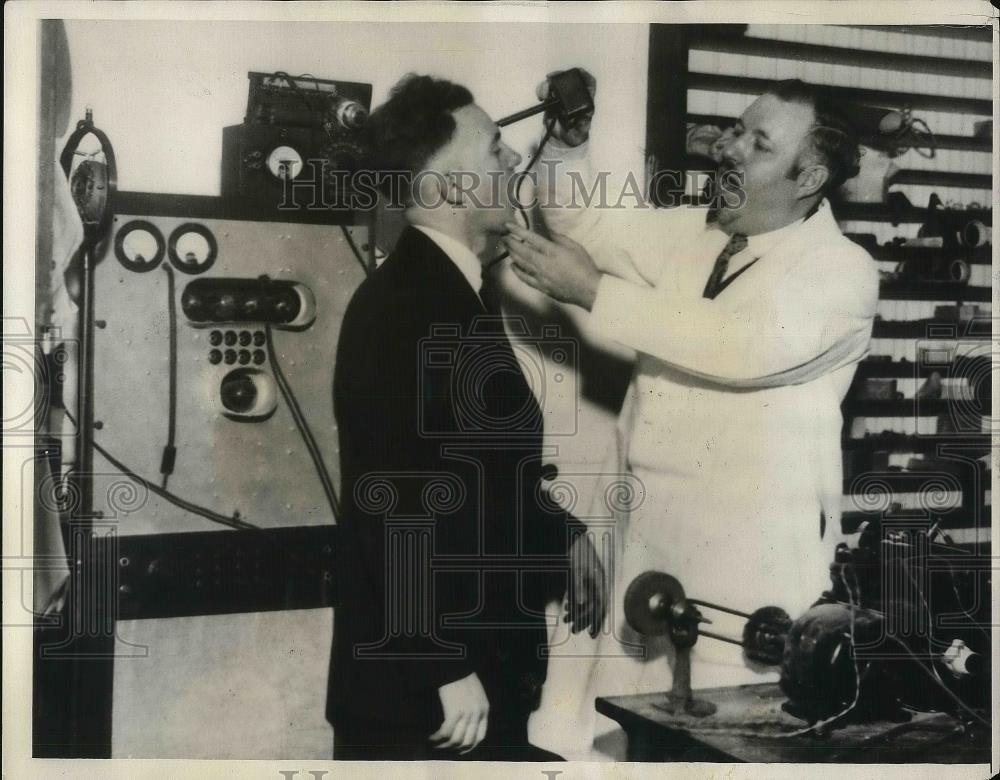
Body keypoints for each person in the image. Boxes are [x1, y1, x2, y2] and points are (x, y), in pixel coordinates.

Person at [503, 77, 879, 758]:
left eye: (758, 142)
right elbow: (585, 223)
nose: (729, 147)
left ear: (809, 177)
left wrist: (592, 291)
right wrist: (568, 143)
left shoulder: (842, 273)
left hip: (745, 572)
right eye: (736, 129)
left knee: (727, 745)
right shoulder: (692, 233)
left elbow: (737, 346)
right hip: (647, 547)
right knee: (622, 733)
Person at [327, 74, 605, 762]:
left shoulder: (449, 294)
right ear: (447, 187)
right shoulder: (398, 306)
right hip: (429, 693)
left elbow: (474, 471)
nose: (513, 162)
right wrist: (441, 665)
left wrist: (562, 532)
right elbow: (388, 500)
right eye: (493, 150)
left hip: (472, 674)